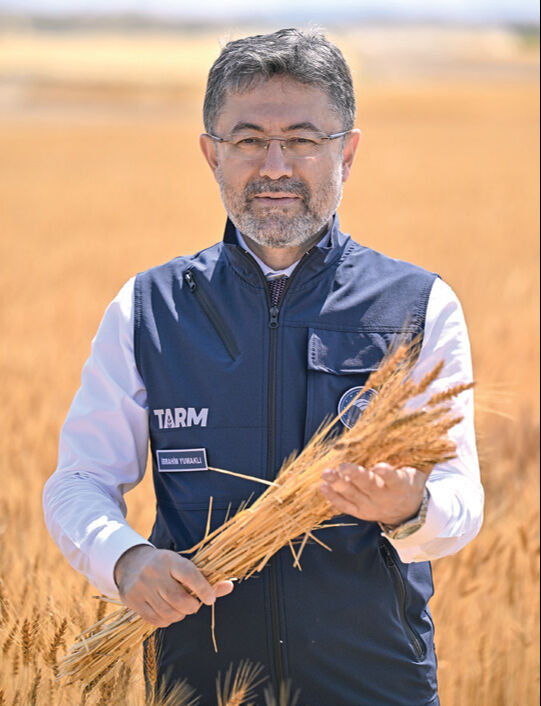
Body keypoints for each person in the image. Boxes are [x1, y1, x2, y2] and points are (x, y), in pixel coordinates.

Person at [43, 28, 483, 706]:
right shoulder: (147, 309)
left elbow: (461, 499)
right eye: (247, 139)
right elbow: (78, 480)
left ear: (348, 151)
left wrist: (410, 509)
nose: (274, 165)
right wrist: (125, 560)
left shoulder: (417, 305)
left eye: (303, 140)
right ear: (210, 153)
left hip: (375, 685)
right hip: (199, 685)